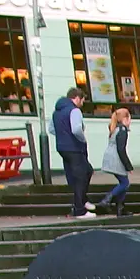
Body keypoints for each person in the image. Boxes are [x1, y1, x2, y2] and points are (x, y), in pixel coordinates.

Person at [52, 88, 95, 219]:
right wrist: (82, 139)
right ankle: (79, 209)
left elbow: (51, 129)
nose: (82, 103)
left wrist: (63, 136)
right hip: (75, 148)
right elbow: (76, 129)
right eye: (82, 100)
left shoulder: (56, 112)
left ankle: (83, 199)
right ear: (77, 98)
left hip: (62, 147)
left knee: (86, 171)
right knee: (81, 176)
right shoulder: (74, 110)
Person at [100, 107, 133, 216]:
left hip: (110, 157)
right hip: (116, 158)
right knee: (125, 183)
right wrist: (128, 166)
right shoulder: (122, 130)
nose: (130, 121)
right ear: (125, 119)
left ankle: (120, 208)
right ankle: (107, 200)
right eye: (129, 118)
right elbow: (121, 149)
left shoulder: (115, 128)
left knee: (124, 182)